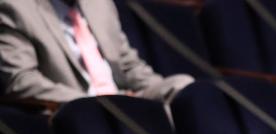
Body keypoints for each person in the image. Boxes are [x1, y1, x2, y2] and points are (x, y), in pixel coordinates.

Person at [0, 0, 192, 104]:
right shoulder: (15, 7)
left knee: (182, 87)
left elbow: (128, 65)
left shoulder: (99, 3)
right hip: (75, 107)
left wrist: (158, 94)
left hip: (123, 100)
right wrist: (93, 103)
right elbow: (21, 81)